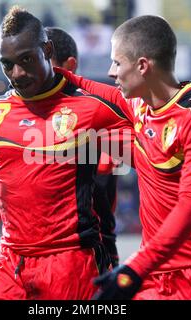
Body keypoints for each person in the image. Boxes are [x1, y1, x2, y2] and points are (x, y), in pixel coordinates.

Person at [55, 15, 191, 299]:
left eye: (117, 63)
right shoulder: (139, 106)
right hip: (157, 273)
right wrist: (57, 75)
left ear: (142, 66)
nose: (111, 72)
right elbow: (106, 94)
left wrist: (136, 266)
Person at [0, 6, 133, 300]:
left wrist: (71, 79)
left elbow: (148, 119)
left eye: (26, 60)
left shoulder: (92, 108)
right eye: (7, 64)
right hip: (10, 261)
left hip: (70, 263)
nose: (17, 73)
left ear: (46, 49)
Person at [45, 26, 119, 267]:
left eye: (46, 63)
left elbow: (103, 190)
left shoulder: (95, 115)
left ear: (70, 66)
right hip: (29, 258)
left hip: (87, 256)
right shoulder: (18, 114)